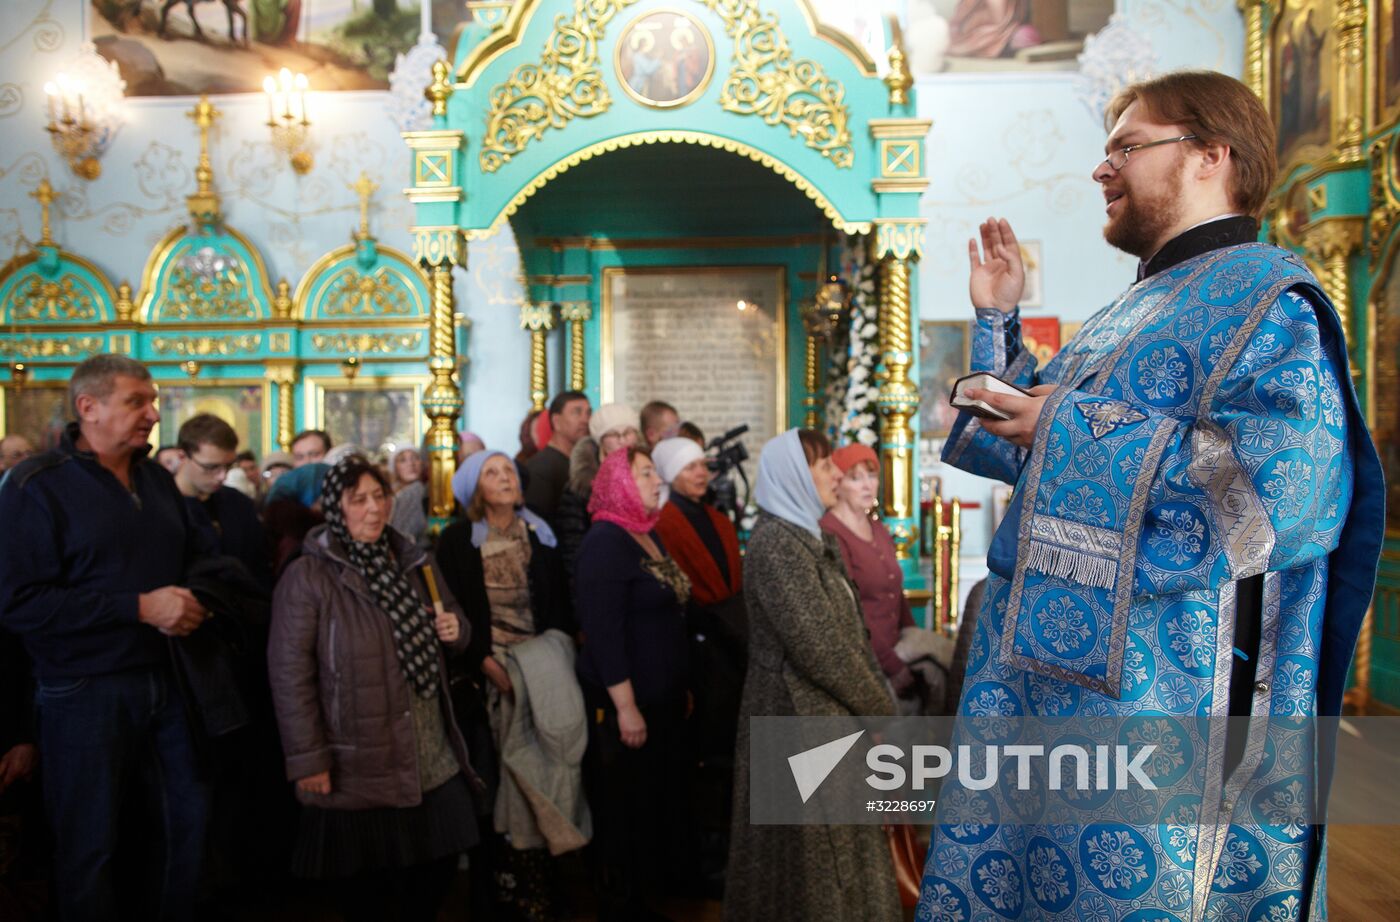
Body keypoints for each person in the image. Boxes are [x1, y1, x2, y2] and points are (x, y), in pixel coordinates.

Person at [918, 72, 1383, 920]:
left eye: (1126, 147)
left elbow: (1286, 490)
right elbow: (1030, 452)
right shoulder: (1128, 310)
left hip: (1163, 697)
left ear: (1211, 154)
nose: (1103, 169)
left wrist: (1070, 425)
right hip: (1044, 687)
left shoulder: (1270, 300)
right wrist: (996, 323)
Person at [0, 354, 214, 921]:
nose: (153, 414)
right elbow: (19, 602)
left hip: (168, 678)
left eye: (153, 401)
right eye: (136, 402)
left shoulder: (156, 479)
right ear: (88, 407)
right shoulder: (34, 485)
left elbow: (195, 557)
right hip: (82, 688)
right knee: (88, 845)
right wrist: (138, 607)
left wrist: (195, 600)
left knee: (183, 824)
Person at [267, 455, 478, 922]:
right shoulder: (310, 575)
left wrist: (455, 629)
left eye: (380, 496)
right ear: (334, 508)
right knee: (373, 891)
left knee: (435, 871)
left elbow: (455, 620)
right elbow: (289, 675)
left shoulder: (413, 560)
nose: (373, 508)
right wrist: (309, 758)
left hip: (428, 747)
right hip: (359, 756)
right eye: (358, 499)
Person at [725, 429, 899, 922]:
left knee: (839, 863)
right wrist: (879, 707)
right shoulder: (777, 544)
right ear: (795, 476)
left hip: (826, 720)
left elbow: (850, 634)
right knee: (811, 871)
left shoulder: (810, 537)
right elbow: (820, 647)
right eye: (824, 466)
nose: (836, 475)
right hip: (796, 721)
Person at [437, 449, 581, 921]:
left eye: (508, 471)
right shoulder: (458, 540)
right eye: (492, 472)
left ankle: (545, 889)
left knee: (545, 774)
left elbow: (558, 608)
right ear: (474, 489)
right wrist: (483, 661)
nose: (506, 478)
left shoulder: (540, 533)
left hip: (540, 672)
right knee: (497, 783)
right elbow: (454, 610)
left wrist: (543, 668)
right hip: (486, 676)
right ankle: (498, 893)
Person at [574, 447, 692, 921]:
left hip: (661, 698)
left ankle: (652, 891)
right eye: (644, 474)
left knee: (654, 801)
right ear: (620, 482)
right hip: (629, 703)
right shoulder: (604, 541)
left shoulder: (646, 532)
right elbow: (604, 635)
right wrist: (625, 707)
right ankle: (624, 903)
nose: (656, 480)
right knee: (626, 805)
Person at [651, 436, 745, 895]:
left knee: (728, 752)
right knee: (703, 755)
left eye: (703, 466)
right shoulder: (664, 523)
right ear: (671, 474)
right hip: (697, 647)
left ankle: (728, 852)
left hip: (731, 643)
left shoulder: (718, 519)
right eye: (690, 467)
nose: (701, 473)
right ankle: (703, 858)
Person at [818, 443, 918, 709]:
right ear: (838, 483)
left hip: (897, 653)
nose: (867, 485)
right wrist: (892, 665)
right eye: (855, 478)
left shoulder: (877, 528)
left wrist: (913, 638)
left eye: (872, 475)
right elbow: (850, 609)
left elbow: (895, 592)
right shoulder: (830, 532)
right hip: (863, 663)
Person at [174, 413, 270, 586]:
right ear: (182, 456)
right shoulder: (161, 504)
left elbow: (258, 569)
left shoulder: (239, 504)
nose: (222, 476)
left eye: (229, 466)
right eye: (211, 467)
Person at [555, 403, 640, 584]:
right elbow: (573, 547)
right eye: (613, 434)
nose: (622, 440)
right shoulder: (581, 486)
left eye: (628, 432)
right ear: (601, 441)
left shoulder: (647, 479)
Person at [524, 391, 591, 520]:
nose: (585, 420)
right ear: (556, 421)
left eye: (588, 413)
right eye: (577, 412)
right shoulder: (540, 467)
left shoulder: (584, 463)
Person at [389, 446, 429, 549]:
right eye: (403, 460)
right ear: (395, 467)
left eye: (415, 458)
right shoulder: (392, 493)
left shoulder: (419, 490)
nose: (411, 464)